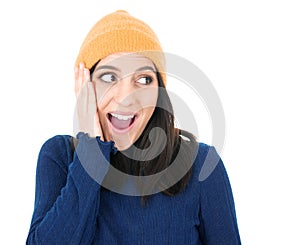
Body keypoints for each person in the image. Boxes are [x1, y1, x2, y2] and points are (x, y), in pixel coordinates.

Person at [26, 10, 241, 244]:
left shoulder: (201, 166)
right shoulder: (60, 156)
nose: (126, 97)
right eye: (109, 77)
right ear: (86, 86)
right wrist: (90, 153)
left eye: (143, 79)